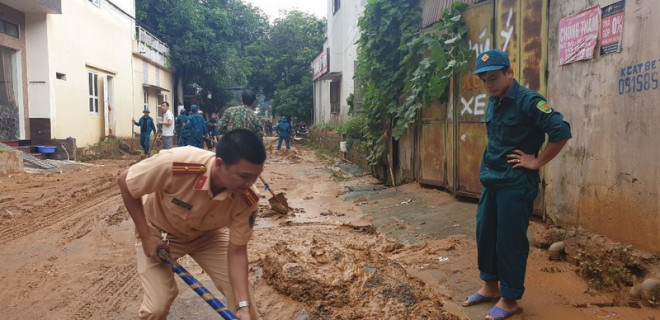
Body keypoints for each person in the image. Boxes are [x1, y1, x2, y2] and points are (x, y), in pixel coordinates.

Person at [463, 49, 571, 320]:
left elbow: (560, 131)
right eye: (485, 80)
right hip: (492, 181)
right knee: (486, 234)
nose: (489, 84)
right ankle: (490, 287)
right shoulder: (494, 99)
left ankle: (509, 300)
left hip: (515, 183)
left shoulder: (528, 101)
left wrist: (537, 162)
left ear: (510, 73)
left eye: (494, 78)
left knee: (509, 240)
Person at [117, 129, 265, 320]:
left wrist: (243, 307)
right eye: (244, 176)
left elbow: (237, 251)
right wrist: (146, 236)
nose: (250, 183)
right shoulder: (177, 164)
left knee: (246, 304)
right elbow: (125, 181)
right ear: (219, 164)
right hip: (160, 234)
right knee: (156, 307)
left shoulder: (248, 198)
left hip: (208, 237)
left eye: (256, 176)